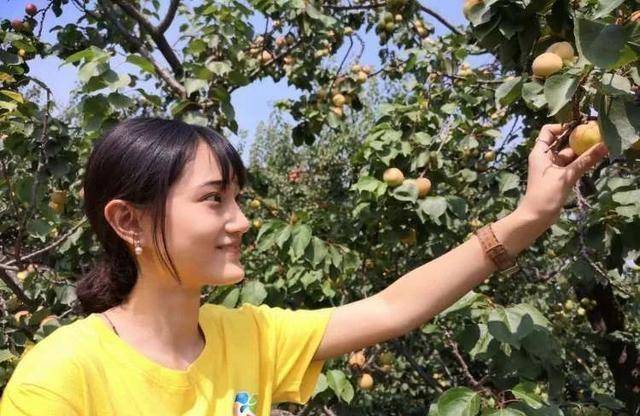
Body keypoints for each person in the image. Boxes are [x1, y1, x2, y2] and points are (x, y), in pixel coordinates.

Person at [0, 118, 609, 415]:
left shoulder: (249, 337)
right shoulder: (59, 379)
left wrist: (530, 216)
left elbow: (393, 307)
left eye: (237, 198)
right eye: (214, 200)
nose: (241, 221)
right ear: (128, 221)